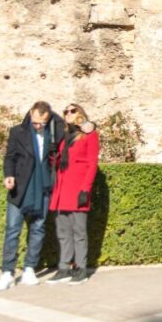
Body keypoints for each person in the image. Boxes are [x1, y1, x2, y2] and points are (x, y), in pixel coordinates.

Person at [0, 101, 93, 291]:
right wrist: (9, 175)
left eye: (42, 122)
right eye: (36, 122)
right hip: (20, 189)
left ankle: (29, 268)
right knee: (12, 230)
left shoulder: (54, 129)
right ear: (31, 114)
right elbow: (10, 157)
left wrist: (90, 125)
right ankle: (7, 272)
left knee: (38, 230)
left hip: (44, 188)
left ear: (48, 118)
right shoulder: (17, 132)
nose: (38, 126)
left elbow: (83, 127)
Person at [46, 104, 100, 285]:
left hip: (77, 189)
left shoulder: (89, 135)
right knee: (63, 231)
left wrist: (86, 188)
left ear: (80, 113)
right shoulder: (64, 137)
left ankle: (81, 268)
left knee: (79, 231)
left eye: (72, 110)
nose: (68, 113)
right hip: (61, 190)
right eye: (66, 111)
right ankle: (63, 268)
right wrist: (53, 154)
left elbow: (92, 164)